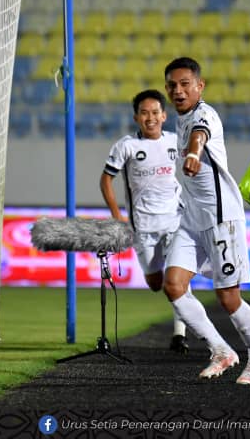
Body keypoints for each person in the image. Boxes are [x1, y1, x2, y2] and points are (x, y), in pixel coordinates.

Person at [161, 57, 250, 384]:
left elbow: (200, 135)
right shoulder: (179, 119)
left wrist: (193, 155)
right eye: (172, 86)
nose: (178, 91)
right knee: (174, 285)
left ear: (199, 86)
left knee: (228, 297)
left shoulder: (204, 115)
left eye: (184, 84)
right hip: (192, 218)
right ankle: (221, 350)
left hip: (222, 219)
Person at [100, 89, 189, 354]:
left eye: (155, 112)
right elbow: (106, 180)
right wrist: (116, 214)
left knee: (178, 279)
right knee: (155, 284)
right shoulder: (126, 146)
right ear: (137, 117)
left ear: (164, 115)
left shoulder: (176, 141)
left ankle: (180, 334)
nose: (150, 118)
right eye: (144, 113)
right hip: (143, 226)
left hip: (175, 219)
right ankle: (178, 311)